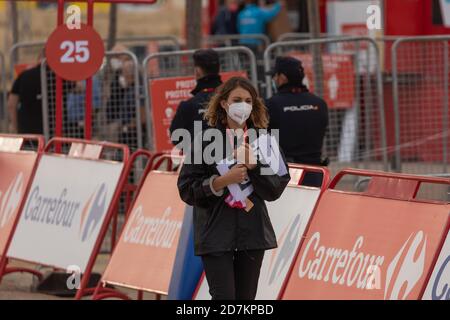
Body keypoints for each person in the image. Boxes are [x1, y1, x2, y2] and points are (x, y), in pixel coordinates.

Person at [177, 77, 290, 300]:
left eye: (248, 100)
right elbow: (187, 188)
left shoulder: (264, 140)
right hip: (216, 233)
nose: (243, 105)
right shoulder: (205, 140)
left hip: (252, 234)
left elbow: (275, 190)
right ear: (224, 103)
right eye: (237, 99)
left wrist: (254, 166)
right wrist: (221, 181)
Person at [266, 56, 329, 187]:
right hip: (316, 174)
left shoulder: (271, 105)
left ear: (282, 77)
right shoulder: (319, 103)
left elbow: (265, 142)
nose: (273, 79)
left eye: (274, 76)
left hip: (285, 175)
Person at [169, 49, 223, 146]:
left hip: (198, 159)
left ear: (197, 71)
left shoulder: (188, 106)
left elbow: (176, 138)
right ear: (219, 69)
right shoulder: (232, 100)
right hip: (232, 158)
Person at [7, 52, 45, 134]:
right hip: (55, 130)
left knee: (29, 147)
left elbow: (11, 104)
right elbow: (77, 87)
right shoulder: (57, 77)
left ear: (38, 58)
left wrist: (15, 127)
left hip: (27, 128)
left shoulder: (24, 75)